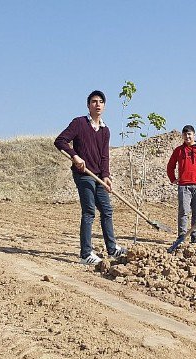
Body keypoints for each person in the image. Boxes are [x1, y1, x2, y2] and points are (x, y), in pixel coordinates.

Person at [54, 90, 126, 265]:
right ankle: (85, 253)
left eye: (101, 101)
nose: (98, 104)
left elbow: (104, 156)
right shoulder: (79, 123)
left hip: (99, 176)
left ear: (104, 106)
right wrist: (75, 156)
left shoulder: (105, 130)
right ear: (88, 105)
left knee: (107, 211)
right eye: (94, 101)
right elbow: (60, 141)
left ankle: (112, 248)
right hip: (84, 175)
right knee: (89, 212)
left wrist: (107, 175)